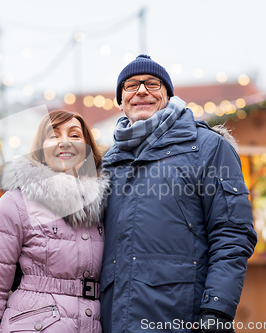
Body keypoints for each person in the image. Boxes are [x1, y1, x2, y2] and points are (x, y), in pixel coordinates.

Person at [100, 55, 257, 333]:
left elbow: (232, 233)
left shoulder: (208, 147)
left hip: (181, 318)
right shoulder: (109, 161)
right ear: (121, 101)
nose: (141, 91)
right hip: (114, 320)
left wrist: (217, 311)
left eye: (152, 83)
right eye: (131, 86)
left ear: (168, 94)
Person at [0, 110, 110, 333]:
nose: (65, 142)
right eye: (54, 136)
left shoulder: (103, 206)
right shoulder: (16, 203)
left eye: (75, 135)